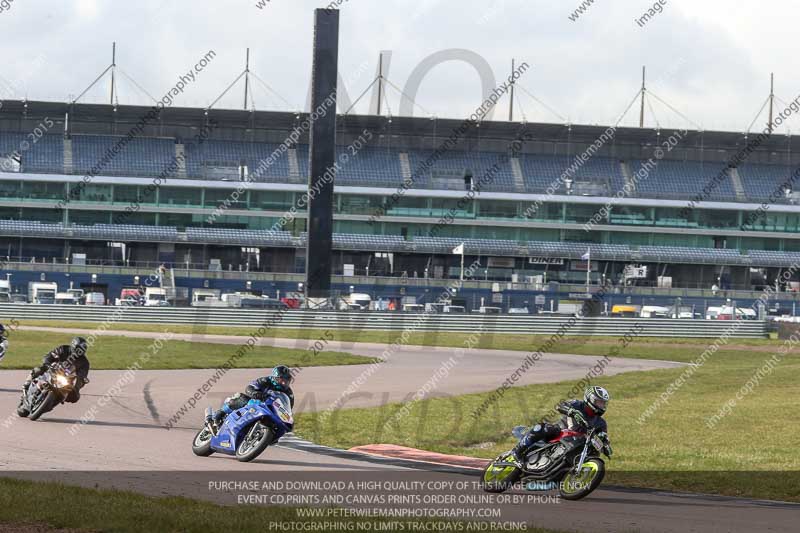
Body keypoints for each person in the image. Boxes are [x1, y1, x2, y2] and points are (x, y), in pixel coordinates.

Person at [511, 386, 612, 465]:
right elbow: (560, 405)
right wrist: (571, 411)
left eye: (603, 403)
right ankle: (518, 450)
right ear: (590, 399)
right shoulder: (577, 404)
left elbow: (604, 438)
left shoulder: (601, 423)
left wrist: (606, 445)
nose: (601, 406)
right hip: (561, 433)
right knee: (546, 428)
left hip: (578, 443)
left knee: (594, 453)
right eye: (599, 402)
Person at [210, 365, 295, 428]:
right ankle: (220, 413)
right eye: (281, 379)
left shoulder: (289, 393)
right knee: (241, 397)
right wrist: (255, 393)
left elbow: (288, 409)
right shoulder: (265, 380)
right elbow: (249, 387)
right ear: (274, 378)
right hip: (256, 402)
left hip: (270, 410)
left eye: (286, 380)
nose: (284, 383)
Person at [24, 337, 91, 403]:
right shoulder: (63, 349)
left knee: (75, 397)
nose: (80, 351)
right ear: (73, 346)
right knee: (38, 370)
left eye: (82, 349)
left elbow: (82, 376)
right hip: (53, 369)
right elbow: (49, 356)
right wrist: (47, 363)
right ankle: (27, 384)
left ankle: (55, 401)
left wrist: (78, 385)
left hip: (67, 379)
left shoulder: (84, 363)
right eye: (78, 349)